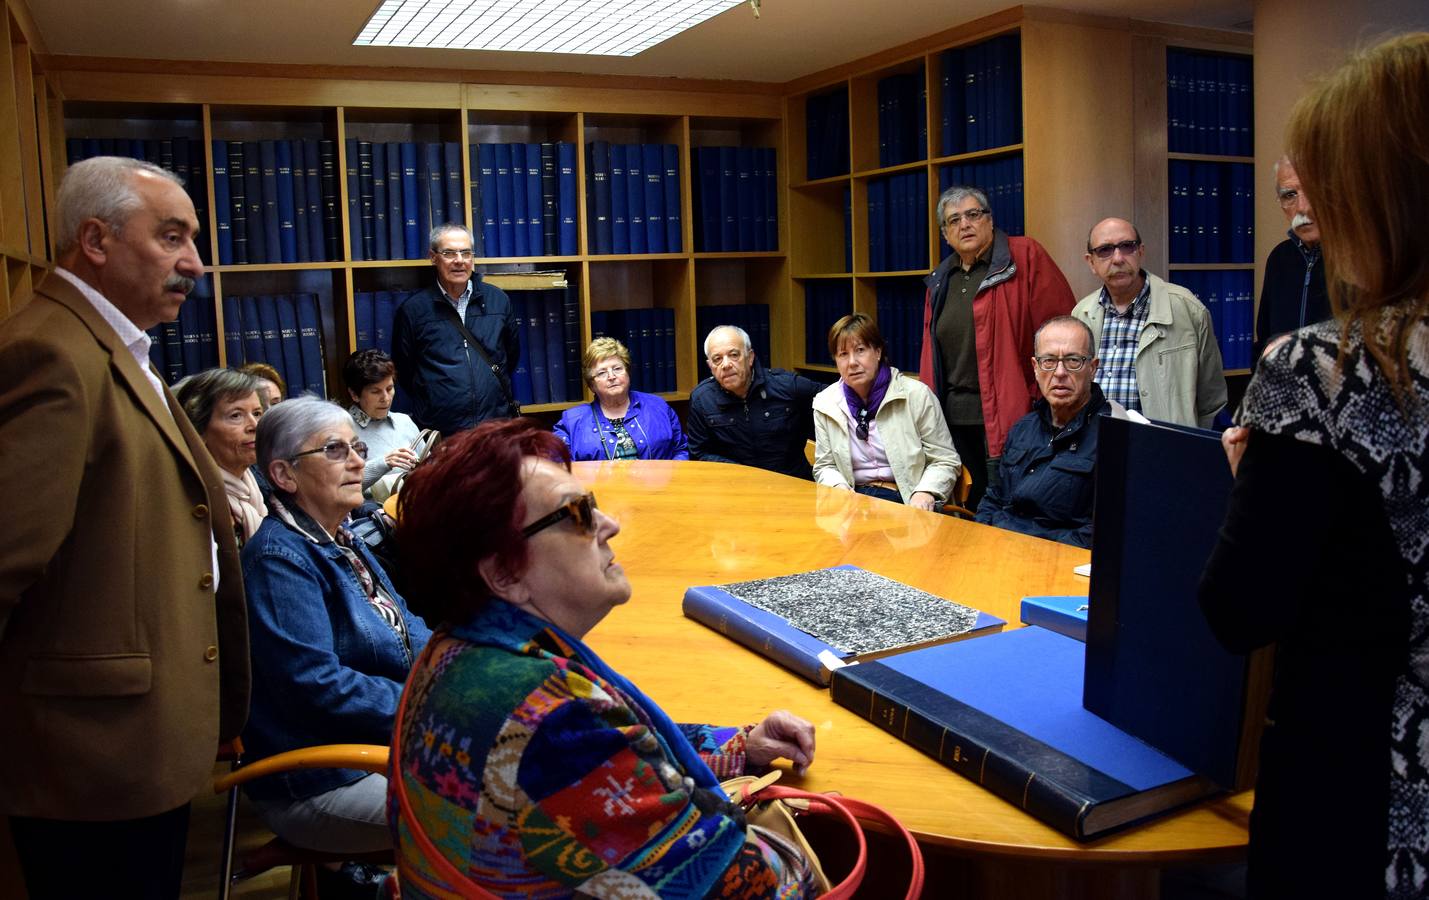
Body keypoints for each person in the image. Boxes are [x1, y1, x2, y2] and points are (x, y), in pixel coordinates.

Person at [389, 418, 819, 898]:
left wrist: (743, 747)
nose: (609, 524)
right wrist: (802, 853)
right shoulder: (554, 719)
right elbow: (751, 888)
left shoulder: (455, 649)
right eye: (578, 513)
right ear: (505, 574)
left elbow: (622, 754)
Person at [1198, 34, 1429, 900]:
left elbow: (1239, 606)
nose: (1311, 220)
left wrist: (1247, 485)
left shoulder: (1319, 370)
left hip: (1363, 798)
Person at [0, 156, 249, 899]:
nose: (194, 264)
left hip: (137, 745)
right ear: (96, 240)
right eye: (171, 237)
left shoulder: (119, 346)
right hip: (87, 761)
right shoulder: (49, 353)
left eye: (194, 240)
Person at [241, 397, 432, 893]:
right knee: (494, 809)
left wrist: (459, 670)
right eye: (333, 450)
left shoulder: (342, 536)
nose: (356, 461)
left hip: (383, 748)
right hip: (321, 778)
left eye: (357, 446)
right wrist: (429, 705)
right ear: (284, 474)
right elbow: (317, 686)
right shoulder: (278, 559)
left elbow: (407, 624)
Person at [918, 185, 1075, 512]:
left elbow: (1061, 330)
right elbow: (930, 355)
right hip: (953, 421)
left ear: (990, 220)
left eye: (973, 215)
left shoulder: (1025, 257)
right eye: (954, 220)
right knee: (965, 510)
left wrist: (1038, 394)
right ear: (945, 235)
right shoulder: (940, 279)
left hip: (1014, 414)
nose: (965, 225)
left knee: (1011, 510)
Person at [976, 316, 1124, 548]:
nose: (1060, 372)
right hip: (998, 551)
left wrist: (1029, 547)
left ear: (1093, 368)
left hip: (1060, 564)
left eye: (1073, 360)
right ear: (1035, 368)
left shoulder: (1114, 436)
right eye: (1049, 361)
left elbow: (1103, 531)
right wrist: (986, 539)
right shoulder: (1023, 428)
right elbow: (994, 498)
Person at [1071, 217, 1226, 427]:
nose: (1117, 258)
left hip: (1164, 450)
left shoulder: (1187, 309)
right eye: (1105, 250)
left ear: (1140, 252)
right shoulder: (1082, 314)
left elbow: (1211, 401)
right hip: (1095, 451)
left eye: (1127, 247)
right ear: (1091, 262)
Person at [812, 314, 960, 509]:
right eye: (843, 354)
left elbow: (945, 459)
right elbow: (825, 465)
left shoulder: (916, 395)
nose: (852, 362)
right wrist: (839, 488)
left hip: (907, 498)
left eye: (860, 350)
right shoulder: (826, 403)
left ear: (878, 352)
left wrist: (925, 492)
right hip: (854, 501)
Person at [391, 223, 519, 437]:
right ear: (433, 257)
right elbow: (404, 370)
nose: (459, 260)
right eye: (449, 253)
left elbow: (511, 356)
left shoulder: (498, 301)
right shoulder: (413, 310)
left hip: (494, 428)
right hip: (441, 432)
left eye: (466, 253)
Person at [686, 324, 822, 479]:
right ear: (710, 366)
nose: (726, 364)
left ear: (750, 357)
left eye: (734, 355)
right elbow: (699, 454)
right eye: (717, 359)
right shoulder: (702, 400)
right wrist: (743, 473)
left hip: (793, 484)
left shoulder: (787, 386)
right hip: (735, 487)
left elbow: (836, 396)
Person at [553, 336, 688, 460]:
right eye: (602, 373)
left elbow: (681, 449)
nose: (611, 376)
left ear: (628, 373)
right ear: (591, 385)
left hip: (660, 485)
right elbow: (561, 467)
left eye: (617, 369)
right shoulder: (571, 422)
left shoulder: (658, 407)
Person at [177, 367, 269, 545]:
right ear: (198, 430)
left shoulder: (264, 486)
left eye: (257, 413)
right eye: (236, 415)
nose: (254, 425)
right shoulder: (191, 501)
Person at [1253, 156, 1330, 360]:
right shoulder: (1279, 259)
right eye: (1289, 195)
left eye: (1313, 191)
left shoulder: (1361, 261)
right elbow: (1265, 341)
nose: (1303, 207)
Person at [343, 348, 422, 497]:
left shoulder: (404, 421)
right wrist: (383, 463)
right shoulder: (341, 431)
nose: (385, 398)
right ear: (354, 394)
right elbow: (339, 488)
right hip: (370, 515)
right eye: (375, 391)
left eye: (389, 388)